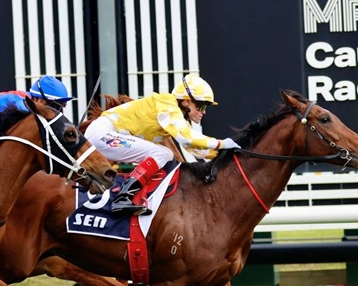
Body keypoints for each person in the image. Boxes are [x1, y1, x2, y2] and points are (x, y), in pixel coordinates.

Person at [84, 72, 241, 216]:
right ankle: (123, 197)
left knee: (164, 154)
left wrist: (221, 154)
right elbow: (187, 138)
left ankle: (132, 195)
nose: (204, 112)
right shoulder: (168, 105)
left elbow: (193, 148)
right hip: (102, 134)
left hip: (106, 135)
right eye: (201, 105)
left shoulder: (174, 115)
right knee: (163, 154)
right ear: (186, 102)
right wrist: (220, 143)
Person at [0, 75, 74, 136]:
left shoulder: (27, 102)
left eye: (60, 107)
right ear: (39, 100)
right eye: (55, 107)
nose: (56, 111)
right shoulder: (22, 108)